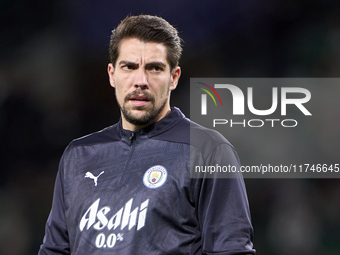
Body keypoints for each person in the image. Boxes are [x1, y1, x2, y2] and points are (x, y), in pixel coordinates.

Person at [38, 15, 255, 255]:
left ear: (173, 77)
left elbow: (232, 250)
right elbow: (55, 250)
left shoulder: (207, 151)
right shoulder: (78, 155)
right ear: (112, 74)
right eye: (129, 67)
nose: (140, 81)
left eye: (154, 68)